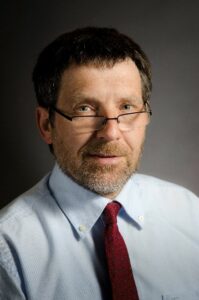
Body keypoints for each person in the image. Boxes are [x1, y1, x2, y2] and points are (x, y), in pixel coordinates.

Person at [0, 27, 199, 300]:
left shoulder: (189, 214)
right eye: (85, 109)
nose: (111, 132)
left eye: (127, 108)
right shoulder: (8, 250)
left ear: (146, 116)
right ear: (46, 124)